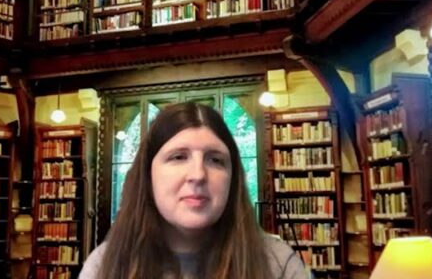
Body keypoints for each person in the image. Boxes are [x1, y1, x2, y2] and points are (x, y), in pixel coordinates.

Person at [79, 102, 308, 279]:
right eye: (178, 157)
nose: (198, 174)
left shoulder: (278, 265)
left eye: (215, 160)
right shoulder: (103, 266)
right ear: (148, 175)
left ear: (234, 178)